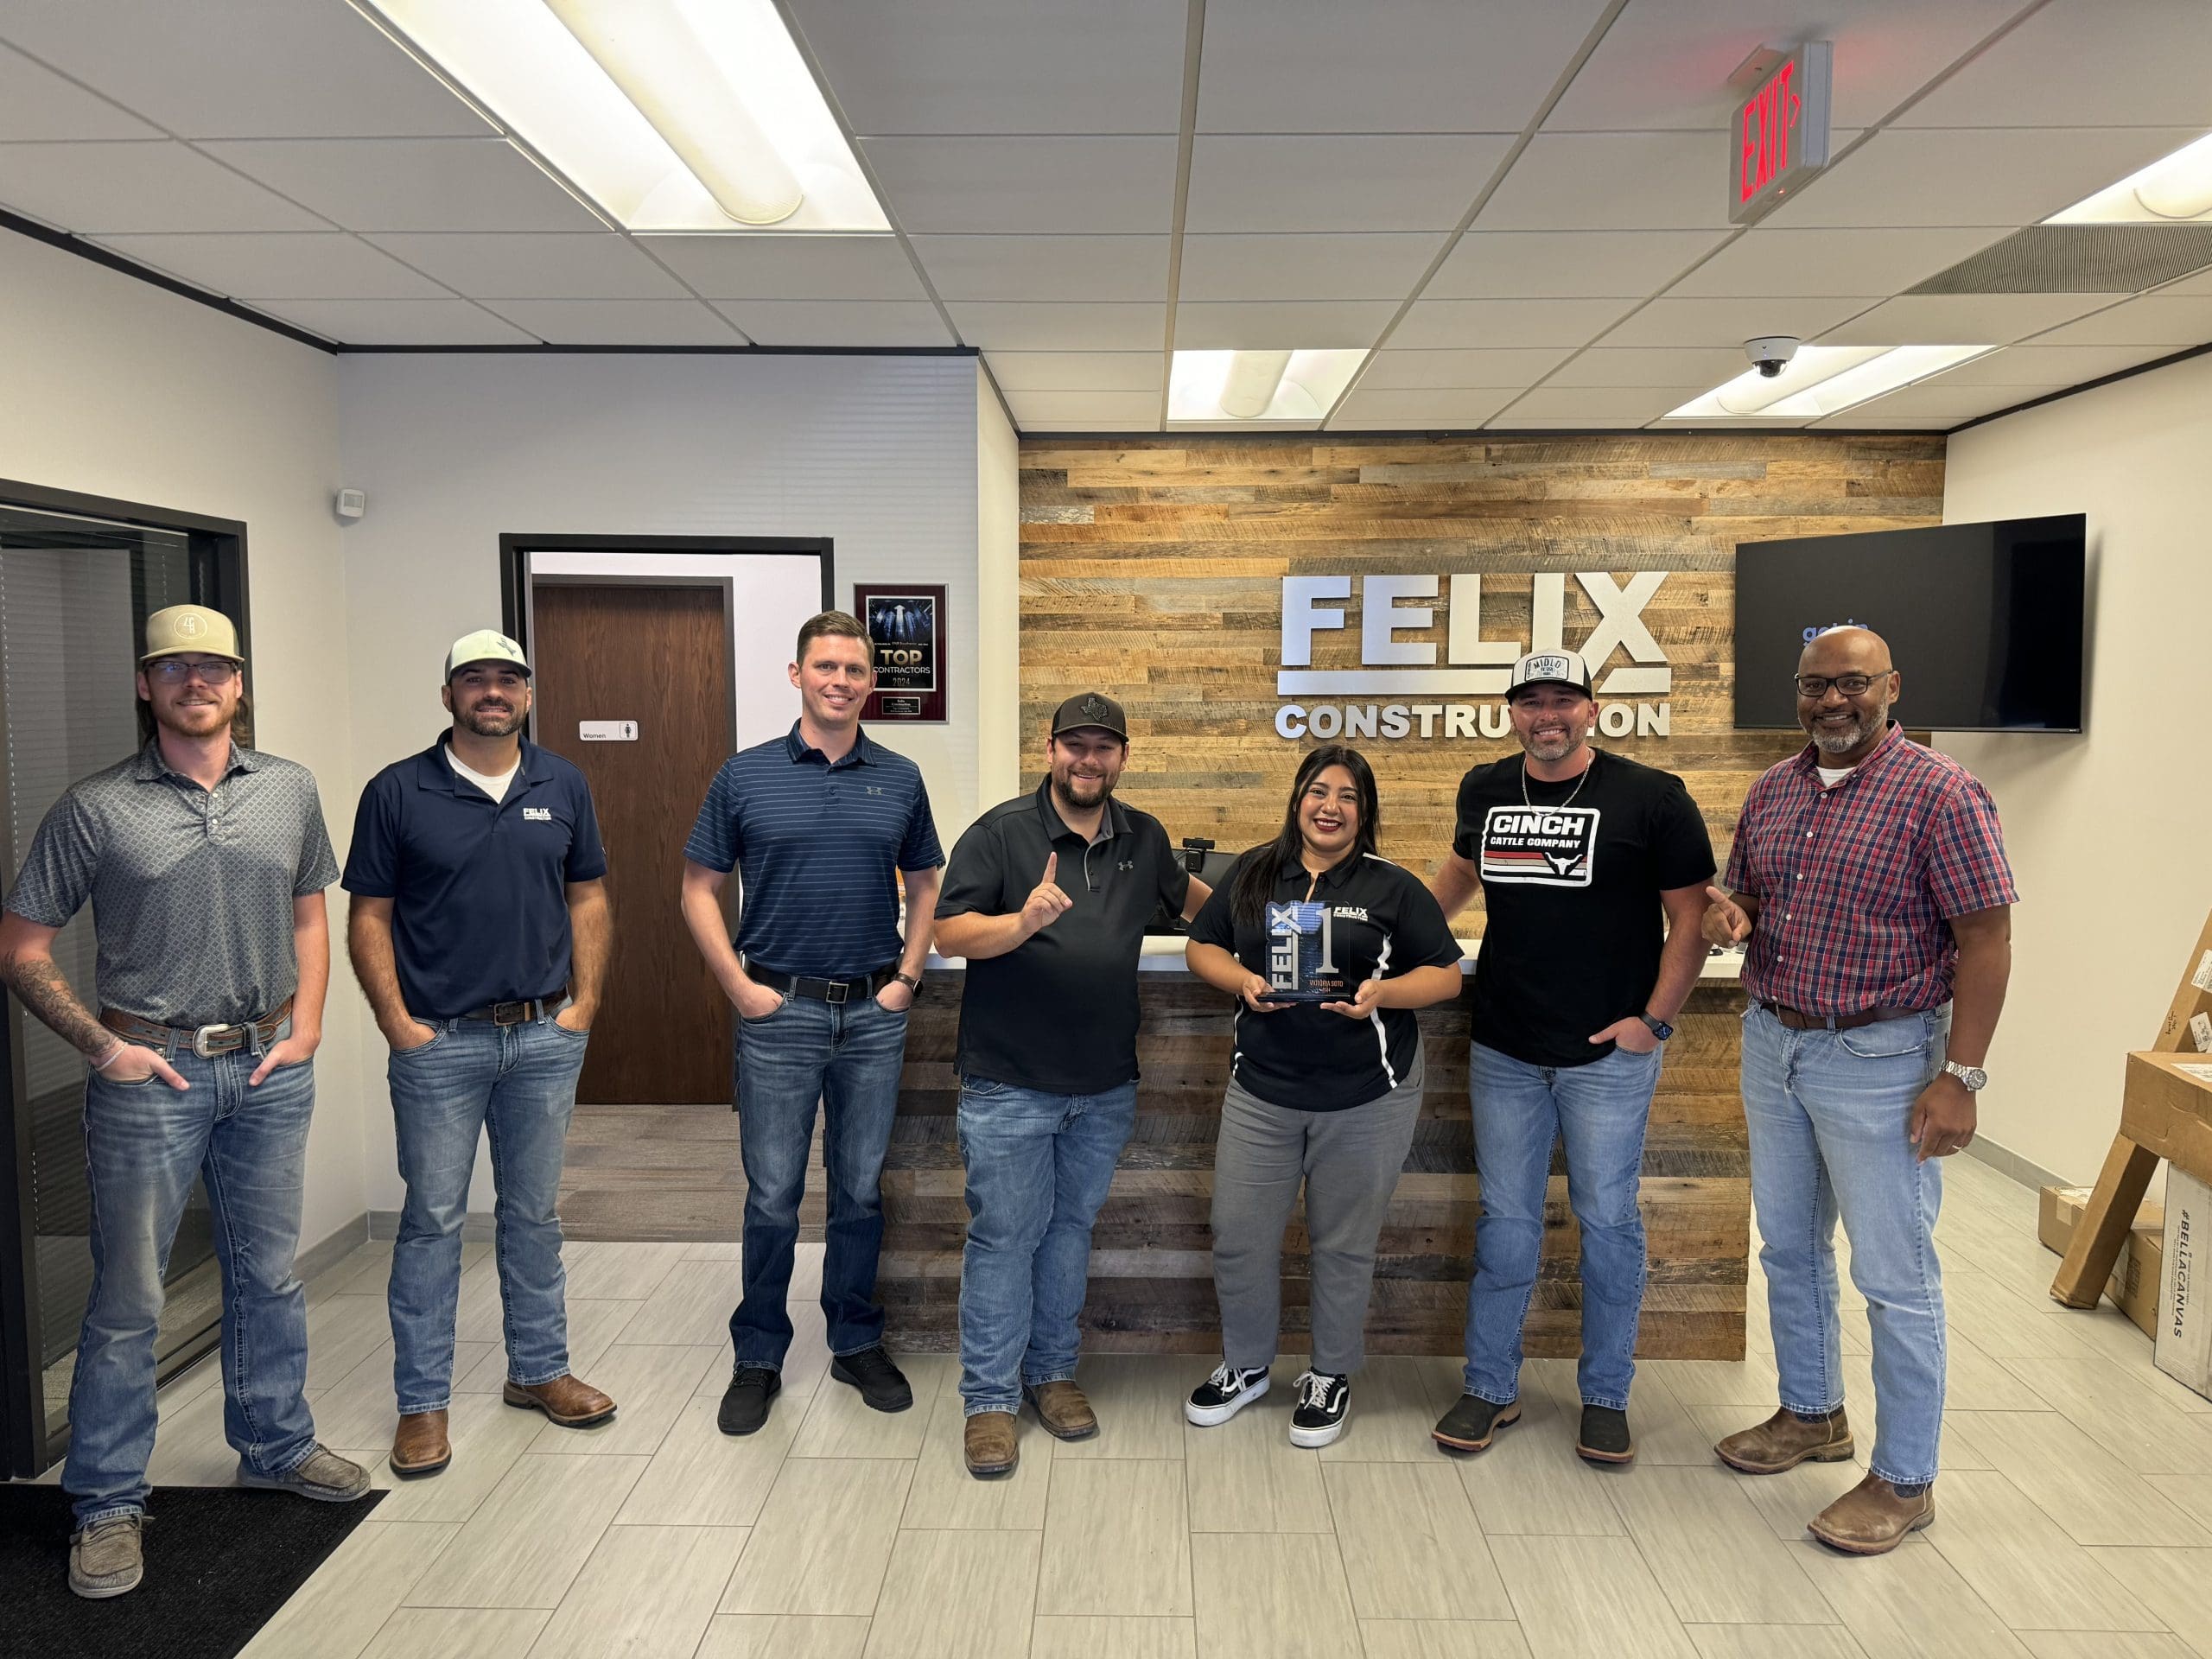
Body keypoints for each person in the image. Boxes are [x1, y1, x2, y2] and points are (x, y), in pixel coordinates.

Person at [0, 605, 369, 1599]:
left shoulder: (288, 789)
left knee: (269, 1274)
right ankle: (109, 1501)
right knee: (129, 1300)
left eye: (214, 667)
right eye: (175, 668)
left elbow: (309, 916)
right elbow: (21, 947)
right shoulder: (95, 808)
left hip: (266, 1069)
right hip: (148, 1075)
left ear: (239, 684)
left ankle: (276, 1444)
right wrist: (101, 1046)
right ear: (145, 685)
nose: (195, 682)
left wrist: (309, 1029)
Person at [1706, 626, 2014, 1554]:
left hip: (1882, 1059)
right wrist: (1732, 914)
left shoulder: (1942, 793)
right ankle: (1810, 1415)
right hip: (1776, 1043)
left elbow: (1985, 942)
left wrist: (1960, 1078)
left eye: (1849, 685)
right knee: (1788, 1249)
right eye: (1812, 688)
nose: (1830, 702)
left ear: (1889, 686)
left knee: (1894, 1274)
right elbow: (1753, 899)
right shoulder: (1774, 789)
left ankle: (1905, 1477)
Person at [1426, 651, 1714, 1464]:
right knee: (1507, 1225)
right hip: (1506, 1046)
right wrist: (1384, 934)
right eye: (1530, 702)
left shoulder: (1653, 796)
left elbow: (1690, 923)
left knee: (1608, 1223)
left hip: (1609, 1057)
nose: (1545, 715)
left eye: (1562, 700)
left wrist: (1652, 1025)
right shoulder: (1485, 788)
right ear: (1510, 711)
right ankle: (1489, 1386)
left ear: (1592, 708)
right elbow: (1454, 881)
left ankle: (1607, 1395)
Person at [343, 630, 616, 1478]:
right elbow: (370, 917)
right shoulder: (397, 791)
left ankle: (538, 1371)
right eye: (475, 680)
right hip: (439, 1044)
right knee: (431, 1223)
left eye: (507, 679)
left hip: (541, 1036)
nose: (491, 693)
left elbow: (589, 897)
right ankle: (421, 1404)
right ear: (449, 694)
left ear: (528, 694)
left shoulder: (560, 782)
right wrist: (397, 1023)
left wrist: (585, 1005)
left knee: (533, 1215)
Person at [933, 692, 1211, 1477]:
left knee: (1067, 1234)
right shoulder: (1001, 833)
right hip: (1010, 1082)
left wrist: (1280, 918)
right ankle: (988, 1400)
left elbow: (1200, 905)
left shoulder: (1143, 836)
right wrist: (1020, 923)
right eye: (1075, 746)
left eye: (1105, 748)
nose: (1089, 761)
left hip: (1103, 1085)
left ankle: (1051, 1374)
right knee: (1003, 1239)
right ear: (1049, 748)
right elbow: (949, 934)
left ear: (1123, 757)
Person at [680, 610, 943, 1435]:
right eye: (825, 666)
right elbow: (697, 889)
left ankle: (855, 1339)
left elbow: (928, 882)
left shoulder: (899, 778)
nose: (840, 681)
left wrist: (906, 976)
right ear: (796, 675)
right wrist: (738, 988)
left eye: (855, 670)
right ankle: (759, 1354)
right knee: (773, 1195)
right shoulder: (745, 776)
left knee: (861, 1191)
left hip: (872, 1013)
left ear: (871, 683)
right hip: (777, 1012)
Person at [1181, 745, 1462, 1447]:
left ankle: (1330, 1374)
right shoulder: (1252, 870)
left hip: (1368, 1093)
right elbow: (1202, 946)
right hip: (1262, 1090)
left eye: (1346, 796)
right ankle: (1247, 1366)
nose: (1329, 806)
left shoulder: (1393, 886)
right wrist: (1241, 981)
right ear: (1297, 800)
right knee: (1239, 1236)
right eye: (1317, 791)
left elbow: (1448, 974)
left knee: (1343, 1244)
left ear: (1364, 813)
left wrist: (1382, 995)